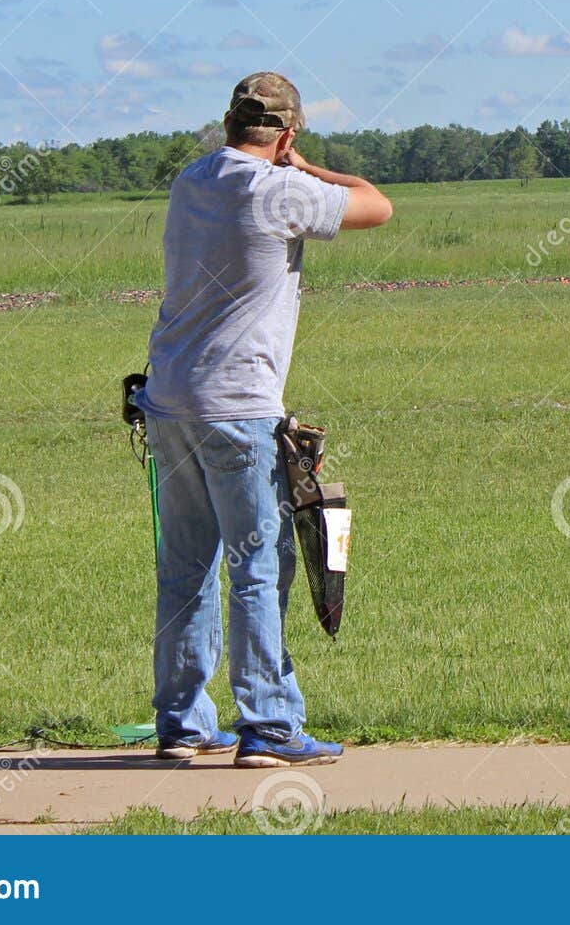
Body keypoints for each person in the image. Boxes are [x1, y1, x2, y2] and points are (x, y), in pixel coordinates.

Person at [137, 72, 393, 766]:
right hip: (240, 404)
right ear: (285, 135)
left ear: (226, 126)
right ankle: (270, 725)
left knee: (184, 565)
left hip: (168, 398)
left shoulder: (190, 182)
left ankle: (183, 724)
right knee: (258, 564)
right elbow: (377, 205)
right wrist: (310, 168)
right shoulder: (279, 189)